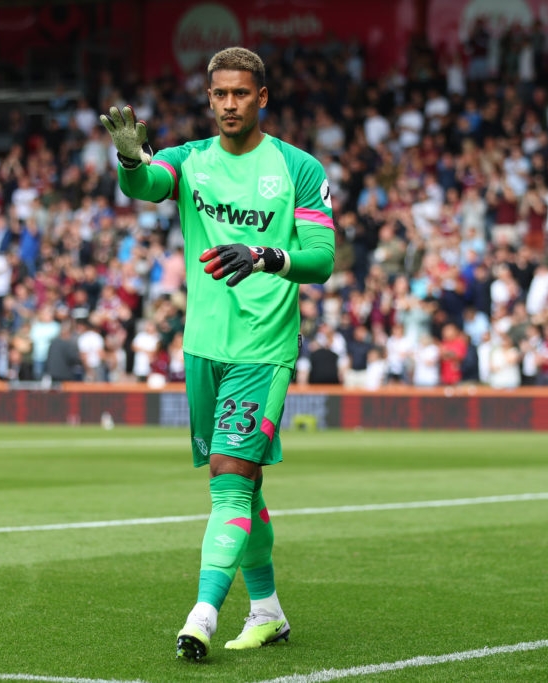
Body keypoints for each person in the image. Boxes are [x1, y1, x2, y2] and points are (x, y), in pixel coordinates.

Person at [101, 46, 334, 661]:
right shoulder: (189, 160)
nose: (229, 104)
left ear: (262, 98)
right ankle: (268, 612)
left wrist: (266, 256)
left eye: (241, 94)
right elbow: (149, 183)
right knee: (241, 484)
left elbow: (322, 260)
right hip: (203, 345)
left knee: (230, 483)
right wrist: (129, 159)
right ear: (209, 99)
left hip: (265, 346)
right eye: (219, 95)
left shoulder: (298, 169)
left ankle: (201, 615)